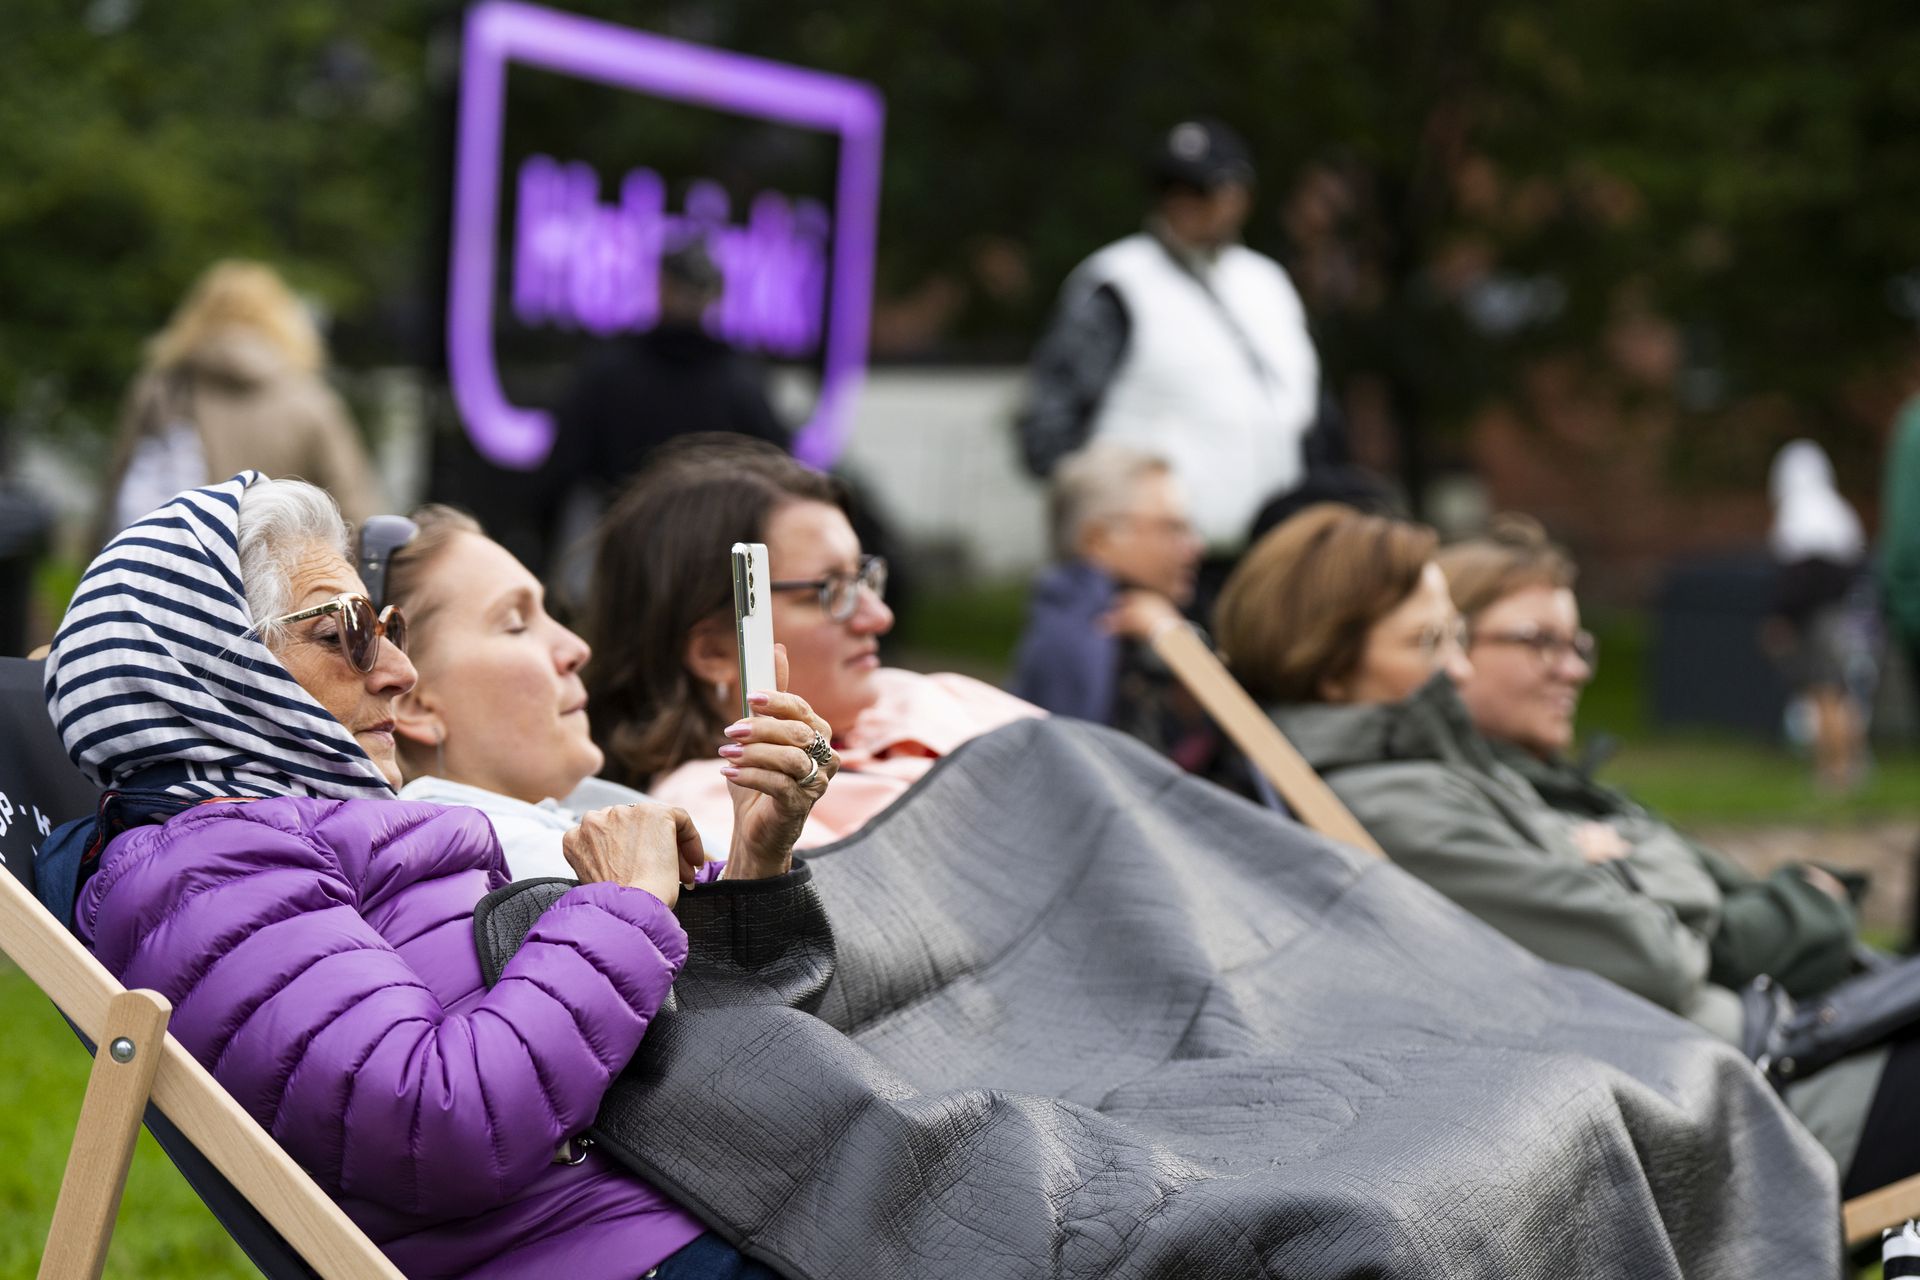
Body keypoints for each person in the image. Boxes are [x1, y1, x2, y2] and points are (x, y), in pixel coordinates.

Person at [43, 472, 830, 1279]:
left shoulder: (309, 837)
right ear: (217, 669)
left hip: (694, 1208)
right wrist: (621, 904)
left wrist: (756, 855)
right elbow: (437, 1123)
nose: (397, 669)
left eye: (386, 628)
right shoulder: (203, 874)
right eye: (345, 633)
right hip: (627, 1249)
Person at [1212, 501, 1909, 1192]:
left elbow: (1658, 910)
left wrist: (1632, 880)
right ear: (1331, 669)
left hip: (1754, 1056)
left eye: (1458, 637)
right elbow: (1655, 956)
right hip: (1733, 1103)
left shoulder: (1448, 779)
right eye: (1430, 642)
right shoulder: (1393, 803)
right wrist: (1647, 891)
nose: (1459, 671)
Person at [1439, 515, 1865, 1001]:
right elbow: (1700, 947)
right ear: (1446, 645)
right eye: (1539, 642)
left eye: (1577, 645)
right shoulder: (1469, 802)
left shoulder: (1557, 782)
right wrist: (1811, 900)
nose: (1574, 671)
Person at [585, 436, 1039, 849]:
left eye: (861, 578)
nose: (880, 617)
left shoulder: (925, 692)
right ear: (714, 653)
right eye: (829, 590)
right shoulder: (717, 817)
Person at [1017, 119, 1320, 574]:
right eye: (1170, 189)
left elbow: (1305, 415)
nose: (1182, 203)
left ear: (1240, 196)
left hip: (1266, 556)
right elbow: (1049, 427)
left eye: (1200, 190)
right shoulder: (1116, 282)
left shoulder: (1268, 283)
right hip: (1152, 563)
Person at [356, 505, 717, 878]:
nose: (577, 649)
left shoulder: (576, 812)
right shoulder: (489, 856)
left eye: (548, 613)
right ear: (415, 703)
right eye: (515, 624)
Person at [97, 260, 383, 548]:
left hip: (174, 567)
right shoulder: (311, 402)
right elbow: (354, 510)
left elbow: (119, 488)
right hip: (277, 570)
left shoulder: (162, 391)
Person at [1008, 443, 1214, 768]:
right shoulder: (1086, 637)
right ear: (1099, 540)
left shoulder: (1093, 622)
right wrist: (1171, 637)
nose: (1196, 546)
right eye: (1173, 527)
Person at [1765, 438, 1874, 791]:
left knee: (1824, 693)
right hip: (1845, 614)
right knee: (1843, 692)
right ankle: (1853, 764)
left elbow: (1796, 579)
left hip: (1817, 620)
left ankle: (1833, 770)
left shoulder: (1797, 514)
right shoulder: (1837, 511)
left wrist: (1783, 617)